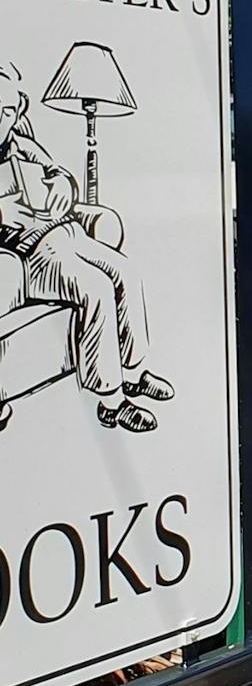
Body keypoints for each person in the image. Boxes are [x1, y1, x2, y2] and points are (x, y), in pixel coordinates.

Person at [0, 65, 172, 432]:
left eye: (8, 111)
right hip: (29, 253)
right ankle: (111, 400)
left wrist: (63, 186)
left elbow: (56, 172)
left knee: (125, 270)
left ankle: (134, 371)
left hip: (65, 232)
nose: (1, 119)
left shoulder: (20, 145)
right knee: (95, 288)